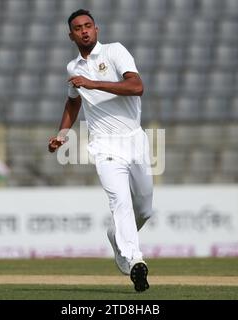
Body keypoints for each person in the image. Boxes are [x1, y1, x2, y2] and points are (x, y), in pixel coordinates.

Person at [47, 9, 153, 292]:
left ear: (97, 29)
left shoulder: (115, 52)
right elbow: (73, 102)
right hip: (105, 145)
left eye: (88, 26)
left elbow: (137, 86)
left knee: (145, 208)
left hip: (134, 139)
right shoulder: (73, 69)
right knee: (121, 202)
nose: (84, 31)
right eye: (78, 28)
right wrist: (61, 134)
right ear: (71, 36)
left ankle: (114, 235)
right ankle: (136, 261)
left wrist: (93, 84)